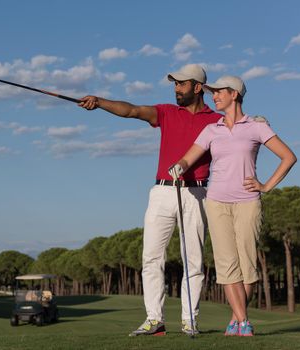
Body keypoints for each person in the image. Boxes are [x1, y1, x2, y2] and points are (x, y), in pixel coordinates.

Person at [78, 64, 222, 336]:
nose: (176, 89)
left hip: (197, 192)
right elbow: (131, 110)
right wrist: (99, 102)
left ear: (198, 87)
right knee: (151, 257)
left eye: (181, 84)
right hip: (162, 192)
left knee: (193, 260)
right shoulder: (166, 112)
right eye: (175, 84)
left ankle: (189, 321)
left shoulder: (216, 120)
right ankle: (154, 320)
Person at [169, 75, 297, 336]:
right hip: (216, 202)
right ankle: (243, 321)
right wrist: (178, 167)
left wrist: (266, 185)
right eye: (212, 92)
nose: (213, 96)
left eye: (218, 92)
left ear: (234, 94)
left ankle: (236, 319)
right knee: (227, 265)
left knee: (247, 267)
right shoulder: (211, 130)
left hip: (248, 203)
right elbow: (189, 157)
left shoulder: (257, 127)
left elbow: (288, 157)